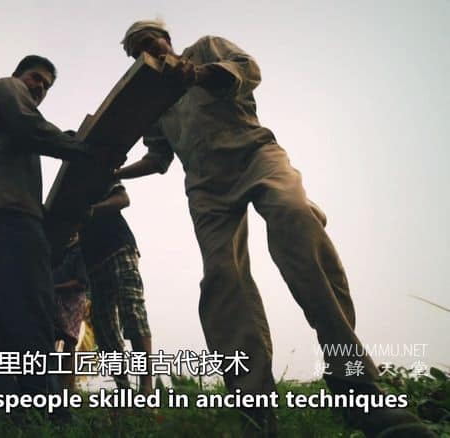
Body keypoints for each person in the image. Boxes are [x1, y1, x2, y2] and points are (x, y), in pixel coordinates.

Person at [115, 20, 434, 437]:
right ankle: (253, 407)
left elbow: (247, 71)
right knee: (223, 278)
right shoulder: (153, 102)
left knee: (296, 220)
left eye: (150, 41)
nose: (148, 51)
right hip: (207, 189)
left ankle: (356, 386)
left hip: (256, 155)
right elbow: (158, 159)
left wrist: (197, 74)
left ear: (166, 40)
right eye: (137, 50)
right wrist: (113, 171)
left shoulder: (205, 49)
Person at [0, 55, 121, 396]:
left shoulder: (11, 134)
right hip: (4, 216)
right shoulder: (7, 89)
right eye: (36, 77)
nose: (40, 86)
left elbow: (32, 133)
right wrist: (84, 148)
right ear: (18, 74)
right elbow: (31, 127)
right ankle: (43, 401)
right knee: (31, 306)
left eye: (46, 85)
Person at [79, 180, 153, 395]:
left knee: (132, 311)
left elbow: (123, 199)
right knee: (105, 329)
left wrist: (92, 210)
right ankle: (123, 391)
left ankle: (146, 390)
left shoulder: (96, 173)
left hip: (119, 247)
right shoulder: (66, 192)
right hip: (92, 262)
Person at [51, 233, 89, 391]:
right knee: (52, 340)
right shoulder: (59, 251)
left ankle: (65, 390)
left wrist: (53, 287)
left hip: (72, 302)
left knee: (69, 343)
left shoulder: (79, 251)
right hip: (56, 300)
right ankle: (55, 387)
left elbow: (81, 282)